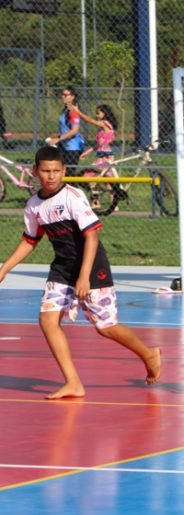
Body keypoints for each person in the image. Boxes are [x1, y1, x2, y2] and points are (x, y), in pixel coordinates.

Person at [0, 145, 161, 399]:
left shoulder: (72, 197)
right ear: (35, 172)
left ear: (64, 170)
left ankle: (149, 353)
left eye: (56, 171)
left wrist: (84, 276)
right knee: (47, 320)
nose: (51, 176)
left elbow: (92, 236)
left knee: (105, 327)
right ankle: (73, 382)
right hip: (62, 269)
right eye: (45, 171)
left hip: (91, 266)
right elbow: (30, 240)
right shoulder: (33, 205)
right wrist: (5, 268)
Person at [47, 86, 85, 176]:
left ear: (72, 97)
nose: (63, 97)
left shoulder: (73, 111)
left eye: (66, 95)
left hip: (72, 148)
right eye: (62, 95)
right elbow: (65, 129)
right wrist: (56, 137)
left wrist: (58, 139)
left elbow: (74, 131)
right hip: (64, 146)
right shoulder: (66, 110)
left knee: (68, 176)